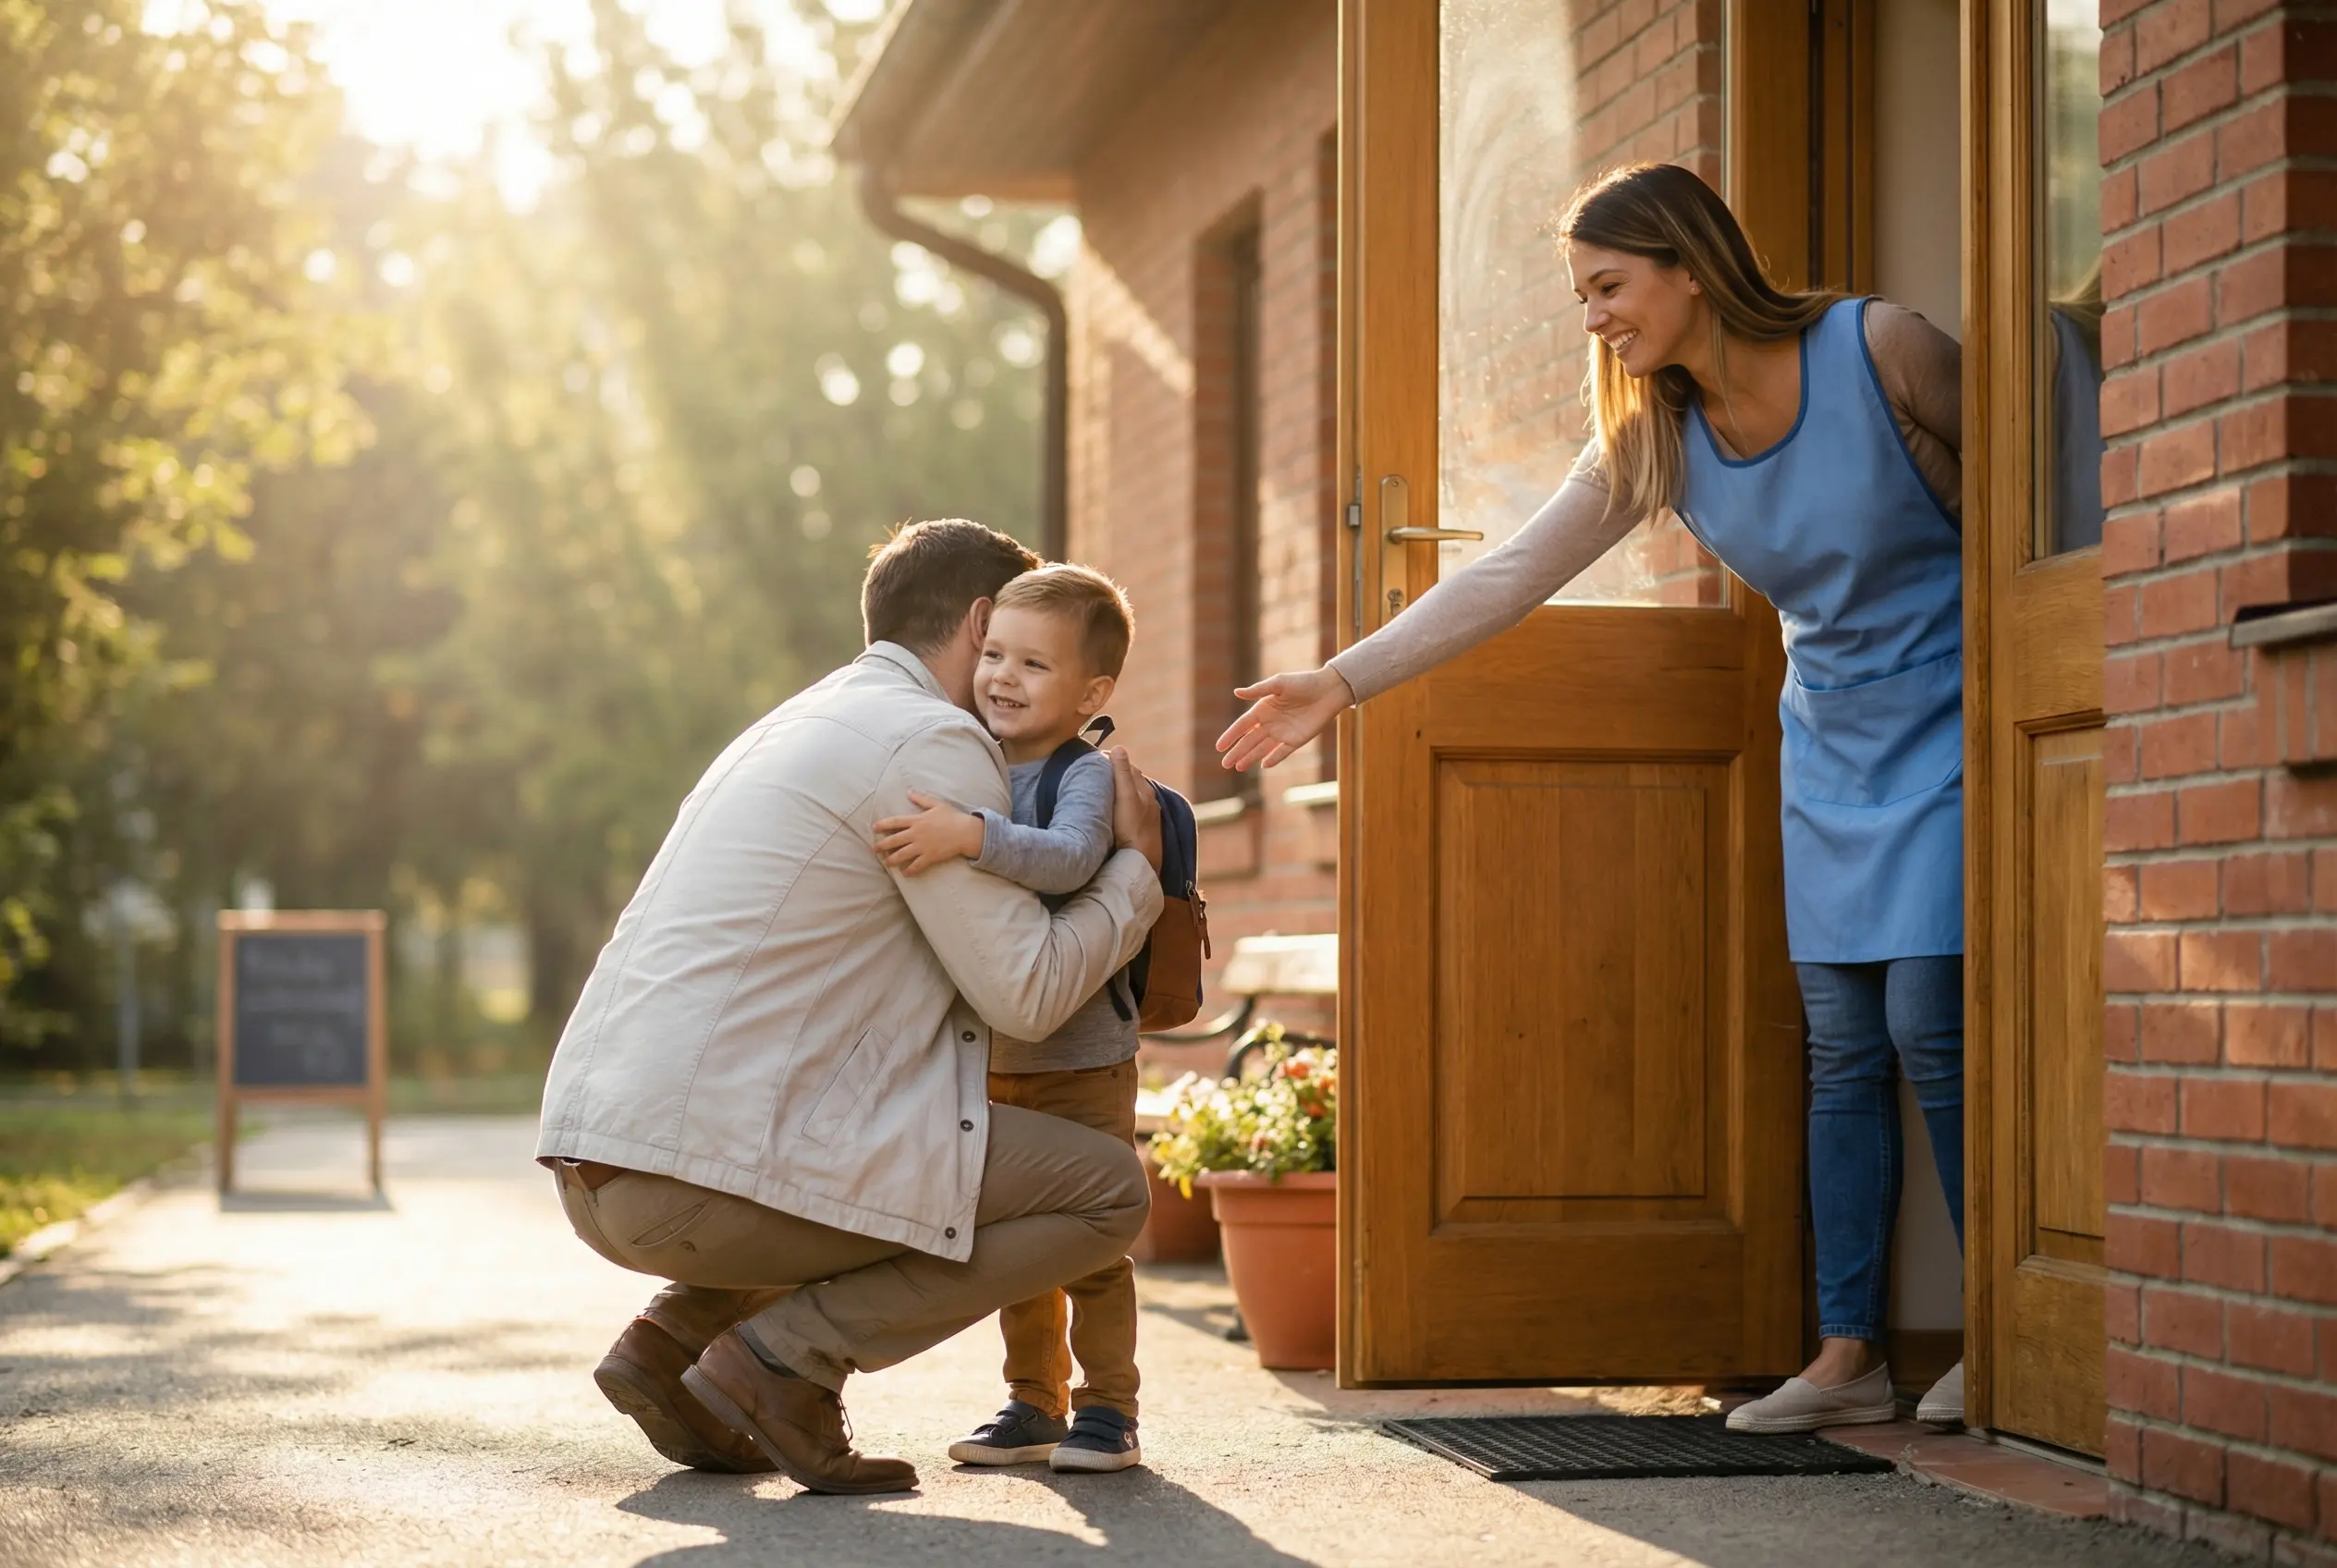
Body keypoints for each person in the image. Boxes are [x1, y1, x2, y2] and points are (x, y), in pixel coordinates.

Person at [1216, 162, 1970, 1433]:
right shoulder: (1653, 437)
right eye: (1581, 295)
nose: (1593, 318)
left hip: (1957, 713)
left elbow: (2041, 480)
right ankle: (1851, 1356)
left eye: (1608, 286)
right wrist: (1340, 683)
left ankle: (2006, 1335)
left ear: (1690, 266)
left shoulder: (1878, 347)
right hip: (1833, 743)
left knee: (1927, 1023)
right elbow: (1507, 575)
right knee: (1842, 1046)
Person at [536, 520, 1164, 1495]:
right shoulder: (932, 741)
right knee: (1107, 1192)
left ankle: (673, 1342)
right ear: (980, 622)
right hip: (695, 1180)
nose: (1010, 673)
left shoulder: (796, 719)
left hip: (605, 1160)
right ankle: (789, 1359)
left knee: (894, 1140)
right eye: (1006, 645)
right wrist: (1135, 874)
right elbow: (1030, 994)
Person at [872, 563, 1150, 1475]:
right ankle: (1035, 1401)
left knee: (1094, 1246)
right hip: (996, 1056)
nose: (1002, 676)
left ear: (1091, 694)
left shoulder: (1082, 774)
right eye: (993, 654)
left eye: (1034, 663)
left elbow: (1071, 860)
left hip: (1082, 1059)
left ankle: (1108, 1408)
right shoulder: (971, 758)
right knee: (1019, 1245)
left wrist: (969, 835)